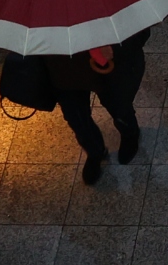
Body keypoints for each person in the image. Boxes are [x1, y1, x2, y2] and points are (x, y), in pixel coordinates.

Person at [45, 28, 150, 185]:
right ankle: (95, 152)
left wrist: (115, 49)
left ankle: (130, 133)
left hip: (109, 69)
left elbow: (140, 31)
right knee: (77, 118)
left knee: (119, 107)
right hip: (63, 70)